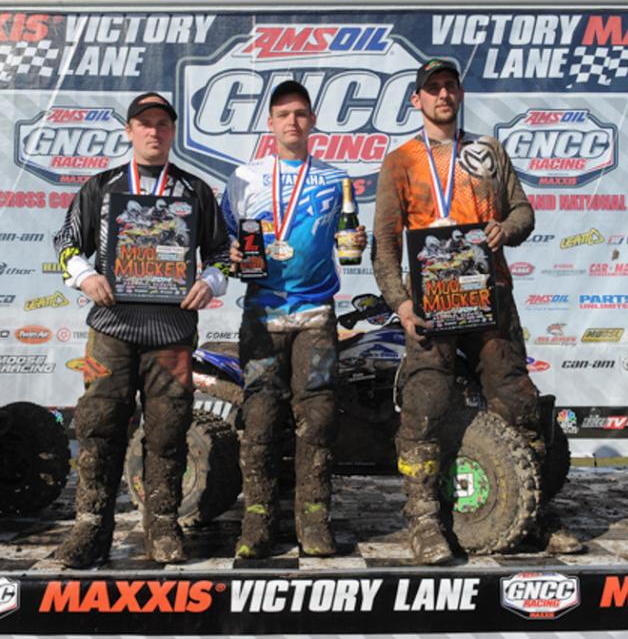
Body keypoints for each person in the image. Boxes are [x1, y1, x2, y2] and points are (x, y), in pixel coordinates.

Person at [372, 59, 581, 564]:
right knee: (424, 405)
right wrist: (400, 303)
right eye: (432, 88)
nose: (442, 94)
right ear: (416, 100)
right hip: (430, 306)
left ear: (460, 93)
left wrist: (504, 230)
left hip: (491, 298)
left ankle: (530, 517)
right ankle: (424, 524)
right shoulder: (400, 161)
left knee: (519, 404)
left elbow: (523, 211)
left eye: (449, 86)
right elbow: (383, 245)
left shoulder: (488, 150)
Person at [52, 92, 230, 567]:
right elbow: (66, 243)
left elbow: (220, 255)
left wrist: (209, 282)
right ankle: (89, 528)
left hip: (172, 332)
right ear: (129, 131)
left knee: (169, 430)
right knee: (98, 426)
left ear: (173, 132)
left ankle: (163, 525)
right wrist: (85, 276)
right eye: (145, 123)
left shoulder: (195, 191)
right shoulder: (101, 187)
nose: (154, 132)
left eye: (163, 124)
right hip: (110, 330)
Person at [221, 80, 367, 558]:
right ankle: (258, 522)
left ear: (313, 121)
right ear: (269, 122)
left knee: (319, 419)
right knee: (260, 419)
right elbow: (222, 242)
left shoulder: (336, 179)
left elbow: (347, 246)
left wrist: (355, 244)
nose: (292, 122)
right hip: (262, 315)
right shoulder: (244, 178)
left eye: (301, 114)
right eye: (283, 114)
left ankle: (314, 521)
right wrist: (231, 256)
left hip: (316, 316)